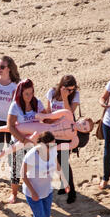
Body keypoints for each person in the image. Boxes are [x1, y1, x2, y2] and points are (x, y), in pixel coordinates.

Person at [15, 131, 69, 217]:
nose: (52, 147)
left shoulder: (52, 150)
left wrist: (64, 181)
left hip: (47, 190)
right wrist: (33, 192)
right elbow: (22, 175)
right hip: (32, 192)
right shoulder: (32, 155)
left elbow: (57, 165)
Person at [7, 78, 46, 204]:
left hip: (35, 142)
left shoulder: (38, 103)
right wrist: (23, 140)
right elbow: (10, 126)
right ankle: (14, 193)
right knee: (16, 168)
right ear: (20, 93)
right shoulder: (15, 106)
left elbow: (46, 120)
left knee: (34, 167)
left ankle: (35, 190)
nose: (29, 96)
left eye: (31, 93)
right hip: (19, 141)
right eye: (26, 94)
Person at [45, 74, 80, 202]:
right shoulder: (52, 92)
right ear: (62, 87)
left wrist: (65, 98)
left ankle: (72, 191)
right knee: (55, 160)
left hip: (66, 133)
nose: (71, 91)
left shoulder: (75, 95)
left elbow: (69, 114)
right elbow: (48, 111)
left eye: (72, 89)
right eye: (68, 89)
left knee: (64, 161)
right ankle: (63, 184)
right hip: (53, 132)